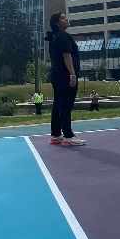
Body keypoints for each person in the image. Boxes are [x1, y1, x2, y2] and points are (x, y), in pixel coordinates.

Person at [45, 12, 85, 147]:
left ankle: (56, 134)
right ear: (57, 23)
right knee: (66, 105)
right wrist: (72, 75)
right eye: (63, 18)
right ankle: (68, 136)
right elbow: (67, 56)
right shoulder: (64, 36)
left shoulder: (55, 37)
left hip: (56, 73)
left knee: (58, 104)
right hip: (64, 74)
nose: (66, 19)